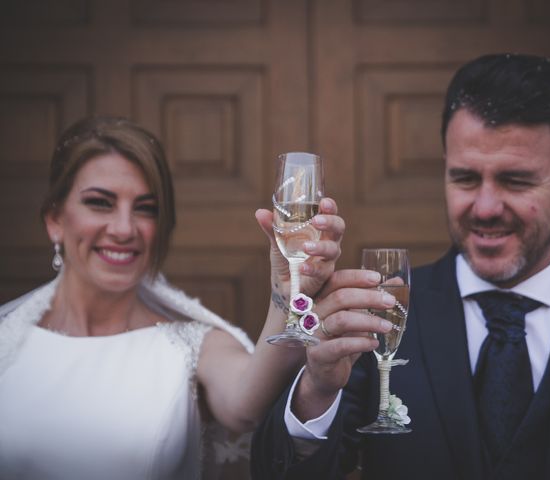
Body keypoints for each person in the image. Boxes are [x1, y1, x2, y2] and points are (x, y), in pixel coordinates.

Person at [249, 53, 550, 480]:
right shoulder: (377, 315)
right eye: (465, 178)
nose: (486, 208)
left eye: (516, 180)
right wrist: (318, 388)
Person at [0, 115, 394, 479]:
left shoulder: (192, 343)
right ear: (54, 219)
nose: (124, 228)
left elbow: (246, 405)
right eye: (99, 203)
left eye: (146, 208)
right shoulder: (7, 341)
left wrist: (287, 294)